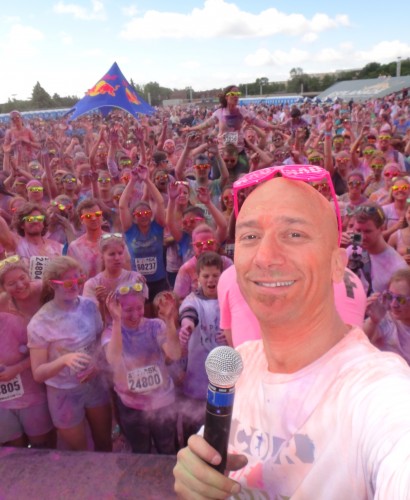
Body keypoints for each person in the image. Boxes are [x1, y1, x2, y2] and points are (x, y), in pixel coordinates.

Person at [174, 165, 410, 499]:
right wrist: (197, 473)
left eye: (294, 234)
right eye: (250, 237)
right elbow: (209, 458)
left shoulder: (376, 391)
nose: (265, 257)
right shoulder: (240, 364)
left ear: (337, 263)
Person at [27, 256, 112, 452]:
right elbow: (38, 373)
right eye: (67, 282)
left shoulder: (89, 306)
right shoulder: (40, 322)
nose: (74, 285)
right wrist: (64, 360)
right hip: (63, 392)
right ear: (52, 284)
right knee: (79, 454)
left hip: (94, 383)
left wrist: (98, 364)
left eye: (78, 280)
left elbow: (100, 340)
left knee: (105, 444)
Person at [103, 282, 181, 454]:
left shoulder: (155, 326)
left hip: (162, 402)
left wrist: (169, 322)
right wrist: (116, 321)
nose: (135, 314)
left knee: (167, 449)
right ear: (117, 308)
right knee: (140, 452)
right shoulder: (111, 332)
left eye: (139, 308)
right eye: (128, 309)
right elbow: (113, 359)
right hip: (131, 405)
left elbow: (174, 354)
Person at [364, 268, 410, 364]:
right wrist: (373, 322)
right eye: (390, 296)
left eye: (401, 299)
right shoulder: (386, 319)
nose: (393, 304)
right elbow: (357, 344)